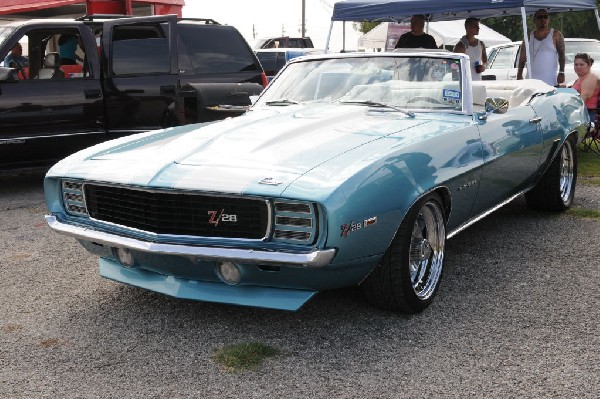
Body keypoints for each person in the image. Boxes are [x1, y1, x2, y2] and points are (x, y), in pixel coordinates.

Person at [517, 9, 565, 86]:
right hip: (531, 81)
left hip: (550, 81)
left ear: (548, 20)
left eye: (545, 17)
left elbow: (562, 54)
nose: (543, 19)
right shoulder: (529, 37)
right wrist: (519, 74)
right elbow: (522, 58)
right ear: (534, 20)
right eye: (540, 17)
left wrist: (562, 72)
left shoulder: (556, 34)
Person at [571, 53, 600, 121]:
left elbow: (583, 99)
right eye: (576, 64)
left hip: (588, 114)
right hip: (581, 112)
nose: (578, 67)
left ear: (589, 65)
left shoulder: (591, 78)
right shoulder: (580, 79)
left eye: (581, 64)